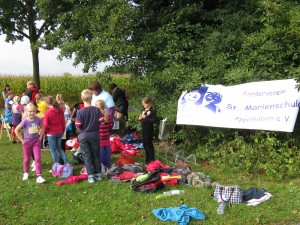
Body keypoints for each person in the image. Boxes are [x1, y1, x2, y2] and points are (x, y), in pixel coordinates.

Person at [75, 89, 102, 183]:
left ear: (82, 98)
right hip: (95, 135)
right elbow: (102, 121)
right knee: (96, 154)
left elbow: (78, 125)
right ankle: (98, 174)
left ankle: (90, 176)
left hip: (84, 136)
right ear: (91, 98)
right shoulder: (97, 110)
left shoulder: (80, 112)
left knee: (87, 156)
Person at [15, 102, 46, 183]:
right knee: (26, 159)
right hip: (27, 143)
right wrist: (22, 140)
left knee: (37, 158)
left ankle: (39, 176)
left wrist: (40, 137)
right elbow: (16, 130)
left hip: (36, 142)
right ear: (26, 112)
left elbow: (42, 128)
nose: (31, 113)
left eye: (33, 111)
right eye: (29, 111)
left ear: (35, 112)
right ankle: (26, 172)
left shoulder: (38, 119)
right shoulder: (25, 121)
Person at [43, 96, 69, 165]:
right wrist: (63, 130)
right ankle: (66, 162)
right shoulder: (60, 110)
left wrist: (45, 132)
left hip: (51, 133)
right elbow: (63, 122)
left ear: (47, 103)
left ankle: (56, 163)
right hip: (60, 132)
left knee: (53, 149)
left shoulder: (47, 112)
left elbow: (45, 125)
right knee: (59, 148)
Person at [138, 96, 157, 164]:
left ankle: (151, 159)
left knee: (149, 144)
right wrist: (140, 118)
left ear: (148, 103)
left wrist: (145, 118)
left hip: (149, 130)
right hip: (143, 129)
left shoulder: (152, 111)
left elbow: (154, 121)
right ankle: (147, 158)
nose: (143, 105)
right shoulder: (144, 110)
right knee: (144, 144)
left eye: (144, 104)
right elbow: (141, 118)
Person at [95, 99, 112, 173]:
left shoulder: (97, 116)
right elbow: (110, 125)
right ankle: (108, 166)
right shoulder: (107, 115)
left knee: (101, 152)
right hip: (106, 136)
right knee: (107, 152)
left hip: (100, 137)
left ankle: (102, 166)